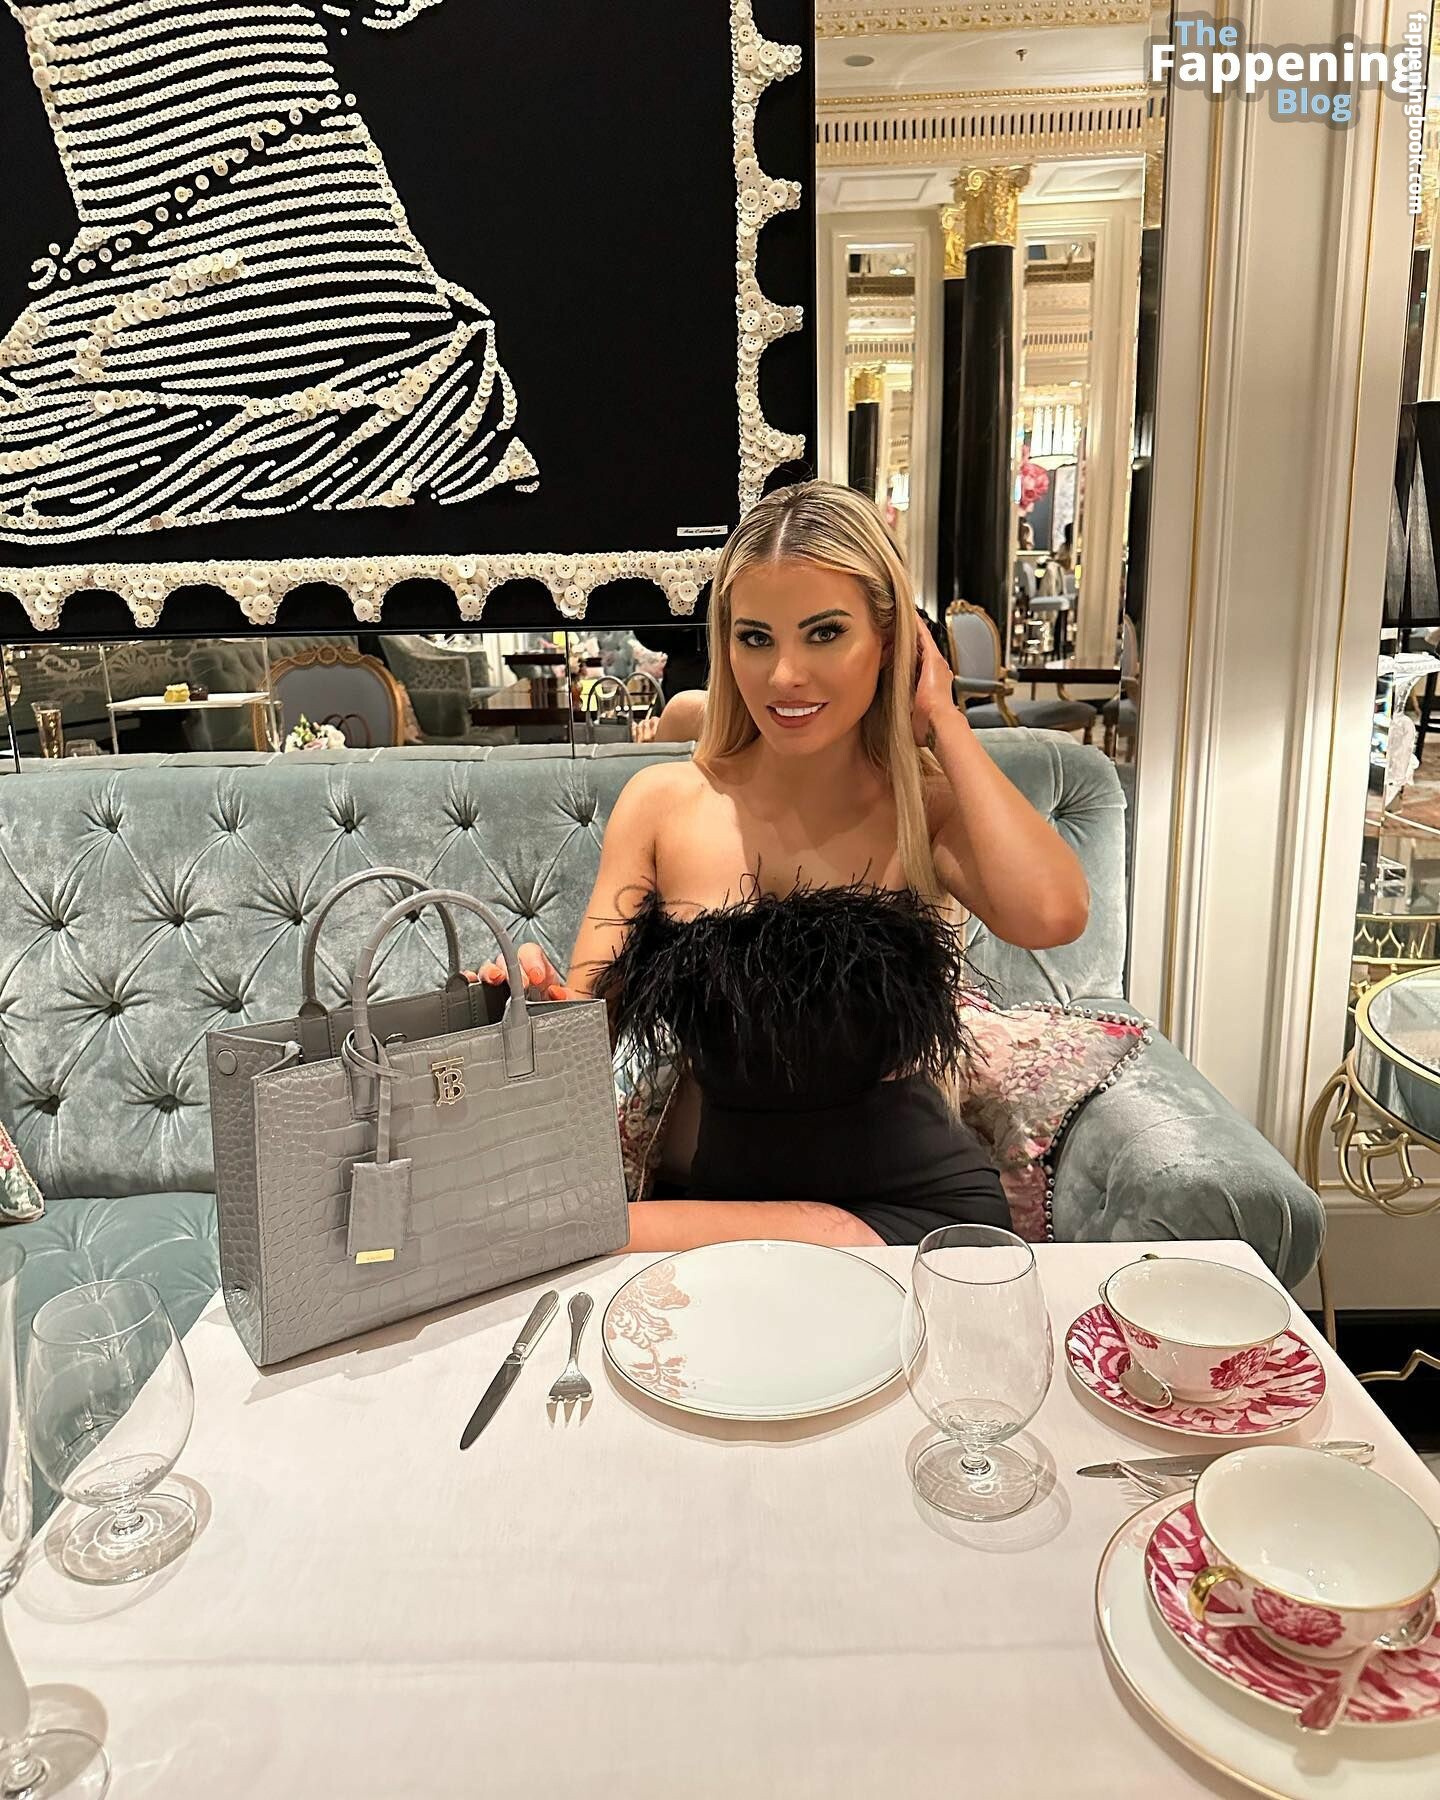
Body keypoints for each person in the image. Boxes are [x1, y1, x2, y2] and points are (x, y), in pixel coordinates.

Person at [476, 480, 1089, 1251]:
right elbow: (584, 1033)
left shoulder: (924, 808)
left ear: (892, 642)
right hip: (725, 1214)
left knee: (557, 1241)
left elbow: (1053, 914)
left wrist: (941, 716)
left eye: (825, 633)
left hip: (909, 1221)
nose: (785, 676)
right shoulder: (661, 805)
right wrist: (530, 1003)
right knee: (537, 1241)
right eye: (756, 638)